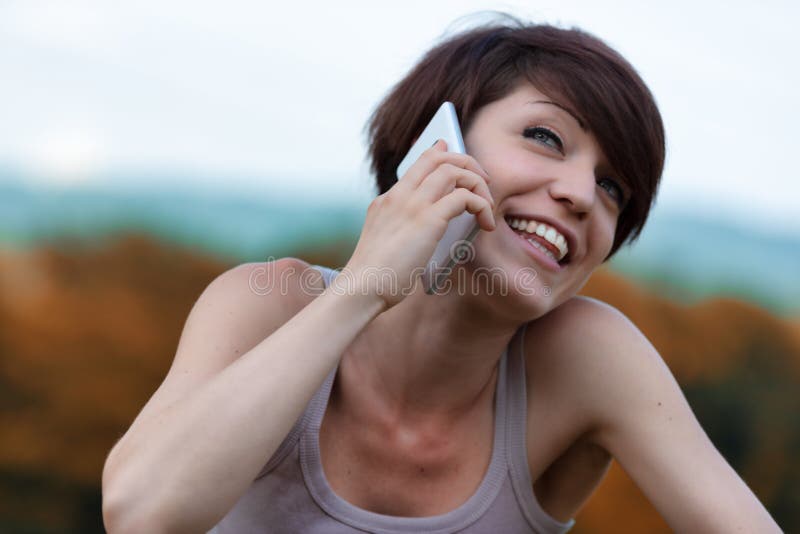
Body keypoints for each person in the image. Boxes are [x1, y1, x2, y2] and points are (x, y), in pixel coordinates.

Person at [101, 16, 782, 533]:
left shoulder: (588, 360)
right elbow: (140, 513)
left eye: (613, 189)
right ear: (435, 144)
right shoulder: (265, 303)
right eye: (546, 137)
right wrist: (366, 285)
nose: (580, 193)